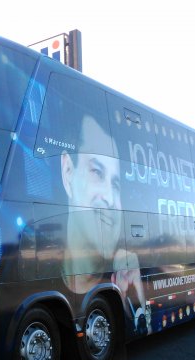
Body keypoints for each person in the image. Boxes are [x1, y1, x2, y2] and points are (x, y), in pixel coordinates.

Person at [60, 115, 148, 334]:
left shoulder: (124, 275)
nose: (110, 197)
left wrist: (135, 303)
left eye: (116, 184)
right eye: (97, 172)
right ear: (68, 172)